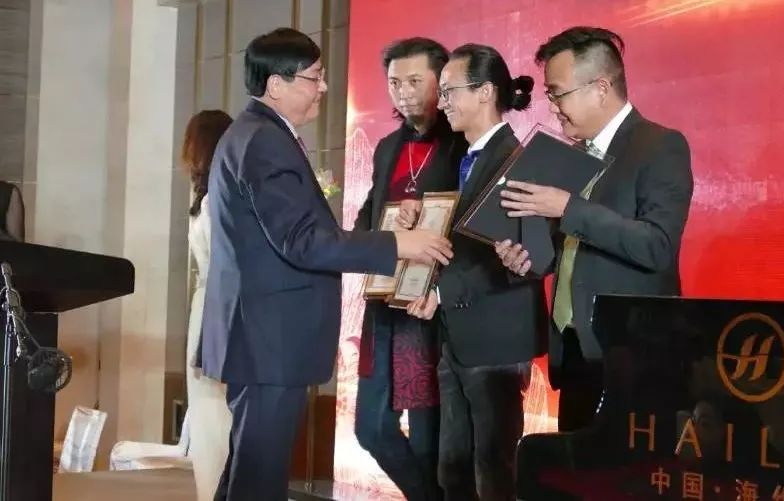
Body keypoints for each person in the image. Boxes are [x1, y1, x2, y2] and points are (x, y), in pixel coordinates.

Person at [199, 28, 453, 501]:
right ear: (277, 84)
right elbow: (302, 242)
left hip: (263, 334)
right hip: (270, 337)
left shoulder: (256, 133)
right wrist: (399, 242)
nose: (324, 87)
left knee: (248, 469)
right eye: (314, 77)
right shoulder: (264, 140)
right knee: (259, 477)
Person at [497, 26, 694, 432]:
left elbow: (657, 245)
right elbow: (569, 250)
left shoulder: (660, 145)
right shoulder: (573, 157)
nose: (553, 108)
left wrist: (568, 207)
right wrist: (529, 262)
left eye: (558, 94)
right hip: (574, 347)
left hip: (629, 353)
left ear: (601, 88)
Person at [404, 43, 545, 501]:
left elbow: (510, 257)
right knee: (454, 467)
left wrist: (439, 294)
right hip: (458, 335)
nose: (441, 102)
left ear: (485, 92)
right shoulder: (462, 157)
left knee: (493, 466)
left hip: (497, 336)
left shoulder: (518, 161)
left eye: (449, 92)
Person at [352, 37, 465, 501]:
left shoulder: (461, 144)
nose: (403, 92)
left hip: (431, 308)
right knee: (371, 427)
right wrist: (381, 231)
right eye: (395, 83)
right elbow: (366, 218)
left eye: (415, 81)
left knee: (427, 438)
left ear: (443, 82)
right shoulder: (387, 147)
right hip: (384, 303)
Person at [180, 109, 233, 501]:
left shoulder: (209, 199)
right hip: (215, 305)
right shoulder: (217, 197)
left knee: (212, 410)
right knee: (214, 411)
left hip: (209, 307)